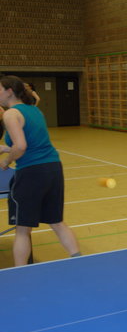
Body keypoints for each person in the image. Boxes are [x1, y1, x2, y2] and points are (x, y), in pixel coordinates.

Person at [0, 75, 80, 266]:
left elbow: (21, 147)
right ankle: (79, 261)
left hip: (31, 173)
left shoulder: (10, 114)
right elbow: (34, 145)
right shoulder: (35, 111)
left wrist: (5, 161)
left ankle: (21, 273)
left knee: (22, 229)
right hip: (53, 169)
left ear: (9, 91)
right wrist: (5, 148)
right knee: (57, 222)